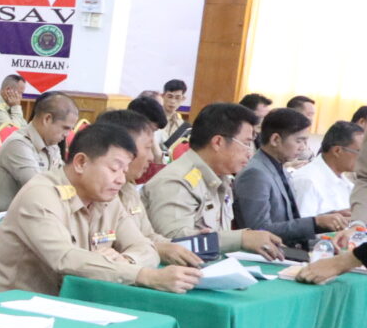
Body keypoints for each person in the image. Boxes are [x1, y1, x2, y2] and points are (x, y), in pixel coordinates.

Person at [0, 122, 195, 297]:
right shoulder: (41, 194)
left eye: (124, 170)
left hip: (68, 304)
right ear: (81, 162)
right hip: (8, 310)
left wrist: (125, 261)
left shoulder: (107, 198)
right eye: (114, 169)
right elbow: (64, 259)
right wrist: (144, 275)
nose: (121, 179)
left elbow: (145, 247)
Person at [146, 102, 285, 260]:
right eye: (246, 144)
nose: (250, 153)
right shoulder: (176, 181)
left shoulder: (221, 177)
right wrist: (241, 239)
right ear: (218, 142)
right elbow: (175, 243)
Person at [94, 107, 205, 270]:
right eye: (147, 148)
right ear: (122, 148)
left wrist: (183, 243)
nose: (152, 157)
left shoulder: (129, 188)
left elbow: (147, 236)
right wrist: (156, 249)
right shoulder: (99, 194)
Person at [233, 108, 349, 248]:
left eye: (305, 141)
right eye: (299, 141)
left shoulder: (278, 167)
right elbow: (259, 230)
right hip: (265, 253)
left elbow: (288, 220)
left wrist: (327, 218)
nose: (303, 147)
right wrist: (315, 222)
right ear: (275, 139)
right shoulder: (255, 174)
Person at [0, 92, 76, 212]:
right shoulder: (18, 144)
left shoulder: (52, 146)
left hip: (24, 214)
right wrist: (70, 192)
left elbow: (66, 181)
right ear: (47, 119)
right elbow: (39, 189)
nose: (67, 135)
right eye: (65, 128)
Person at [289, 121, 361, 216]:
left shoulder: (345, 182)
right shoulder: (307, 181)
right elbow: (301, 223)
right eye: (361, 152)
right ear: (337, 151)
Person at [158, 79, 190, 152]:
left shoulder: (182, 124)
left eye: (177, 98)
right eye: (170, 97)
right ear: (162, 96)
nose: (173, 101)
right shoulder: (153, 118)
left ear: (183, 99)